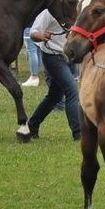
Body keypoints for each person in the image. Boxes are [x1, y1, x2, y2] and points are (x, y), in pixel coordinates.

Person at [21, 9, 80, 142]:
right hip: (53, 57)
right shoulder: (48, 12)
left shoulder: (78, 9)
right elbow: (33, 33)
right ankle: (79, 133)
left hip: (69, 56)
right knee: (72, 91)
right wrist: (42, 37)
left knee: (54, 96)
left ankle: (32, 126)